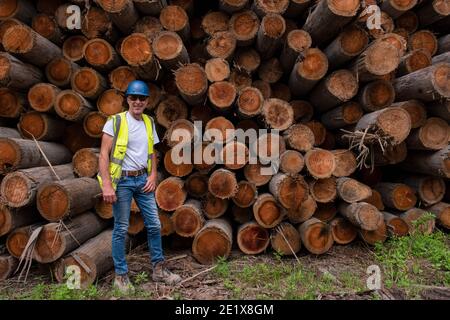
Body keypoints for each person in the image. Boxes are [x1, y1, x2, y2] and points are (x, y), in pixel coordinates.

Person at [98, 80, 181, 294]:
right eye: (133, 97)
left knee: (154, 225)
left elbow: (152, 153)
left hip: (143, 180)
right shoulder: (114, 122)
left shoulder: (148, 122)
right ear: (127, 99)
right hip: (123, 182)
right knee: (121, 229)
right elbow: (104, 154)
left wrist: (153, 175)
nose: (137, 101)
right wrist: (107, 185)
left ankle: (159, 269)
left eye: (141, 98)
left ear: (146, 101)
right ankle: (121, 276)